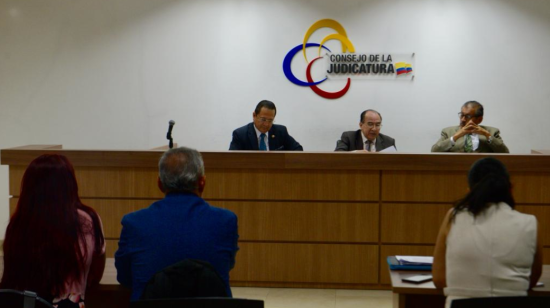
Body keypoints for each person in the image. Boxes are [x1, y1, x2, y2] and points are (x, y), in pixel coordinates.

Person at [115, 147, 239, 300]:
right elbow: (226, 266)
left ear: (159, 184)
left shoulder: (134, 223)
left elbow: (125, 277)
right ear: (202, 183)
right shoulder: (225, 221)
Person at [432, 157, 543, 308]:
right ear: (511, 188)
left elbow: (439, 278)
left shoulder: (454, 216)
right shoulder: (530, 223)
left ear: (469, 191)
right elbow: (532, 279)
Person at [0, 154, 106, 308]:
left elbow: (11, 279)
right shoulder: (88, 220)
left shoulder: (18, 223)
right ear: (69, 184)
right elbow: (95, 275)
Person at [431, 101, 509, 153]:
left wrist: (487, 135)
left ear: (479, 119)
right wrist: (456, 136)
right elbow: (434, 151)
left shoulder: (492, 131)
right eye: (461, 115)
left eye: (467, 116)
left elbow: (505, 152)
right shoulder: (448, 131)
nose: (463, 119)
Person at [229, 100, 303, 151]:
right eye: (263, 119)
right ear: (254, 115)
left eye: (270, 120)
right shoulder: (240, 134)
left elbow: (298, 149)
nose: (266, 124)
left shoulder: (281, 132)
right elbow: (232, 159)